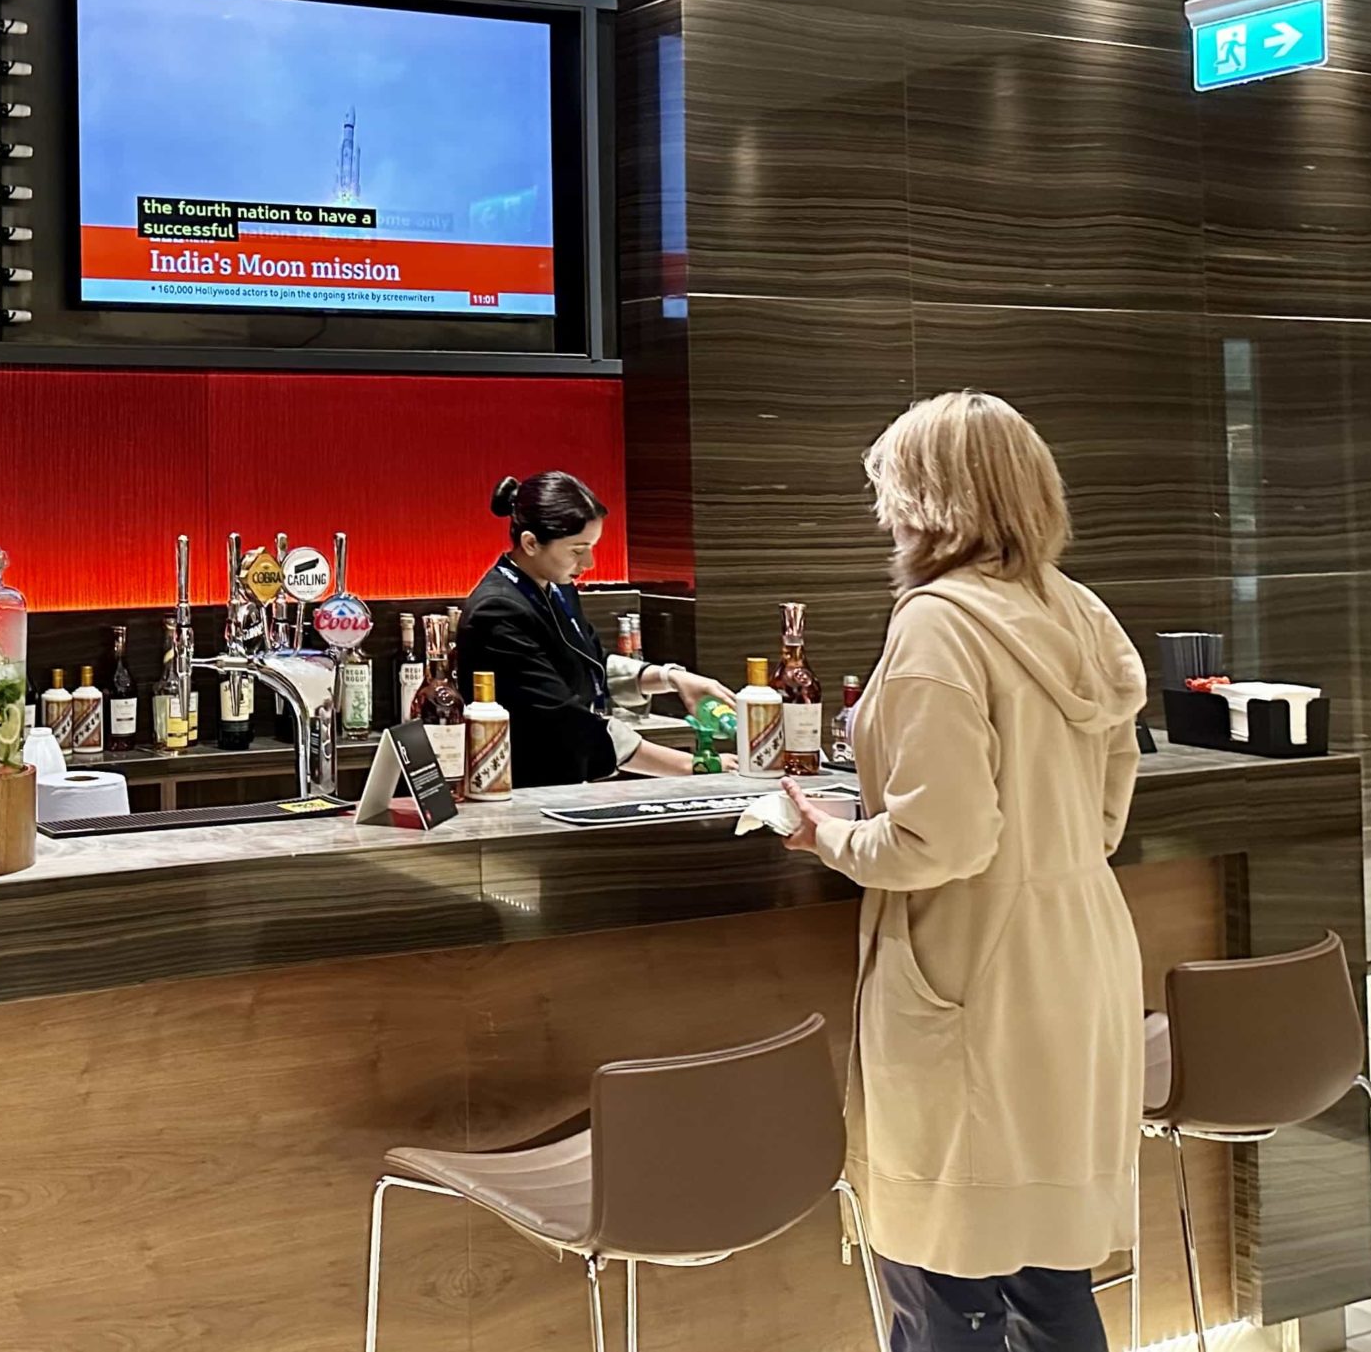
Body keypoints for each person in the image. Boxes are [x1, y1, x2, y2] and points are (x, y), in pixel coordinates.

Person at [780, 391, 1144, 1352]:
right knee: (1048, 1271)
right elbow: (1107, 812)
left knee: (944, 1278)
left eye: (891, 494)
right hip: (1080, 954)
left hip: (972, 969)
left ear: (926, 499)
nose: (885, 517)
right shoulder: (1077, 609)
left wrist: (824, 835)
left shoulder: (939, 625)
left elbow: (941, 843)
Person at [456, 471, 730, 785]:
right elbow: (562, 719)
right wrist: (693, 765)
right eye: (577, 550)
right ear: (530, 543)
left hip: (564, 782)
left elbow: (591, 663)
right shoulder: (497, 611)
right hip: (523, 787)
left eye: (592, 547)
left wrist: (672, 678)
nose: (589, 562)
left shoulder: (556, 588)